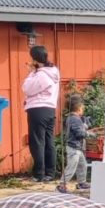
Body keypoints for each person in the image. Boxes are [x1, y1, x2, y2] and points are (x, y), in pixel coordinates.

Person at [22, 45, 61, 182]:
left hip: (38, 109)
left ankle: (39, 174)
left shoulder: (41, 75)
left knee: (37, 142)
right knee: (49, 141)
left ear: (35, 59)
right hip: (50, 109)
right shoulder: (54, 71)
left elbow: (27, 89)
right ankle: (50, 172)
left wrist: (32, 72)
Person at [57, 94, 90, 193]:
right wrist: (87, 133)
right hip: (74, 148)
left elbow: (77, 128)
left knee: (82, 165)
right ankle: (61, 186)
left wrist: (84, 125)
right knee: (71, 167)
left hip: (77, 148)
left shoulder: (72, 118)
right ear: (79, 108)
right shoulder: (75, 119)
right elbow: (79, 133)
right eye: (82, 107)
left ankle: (82, 182)